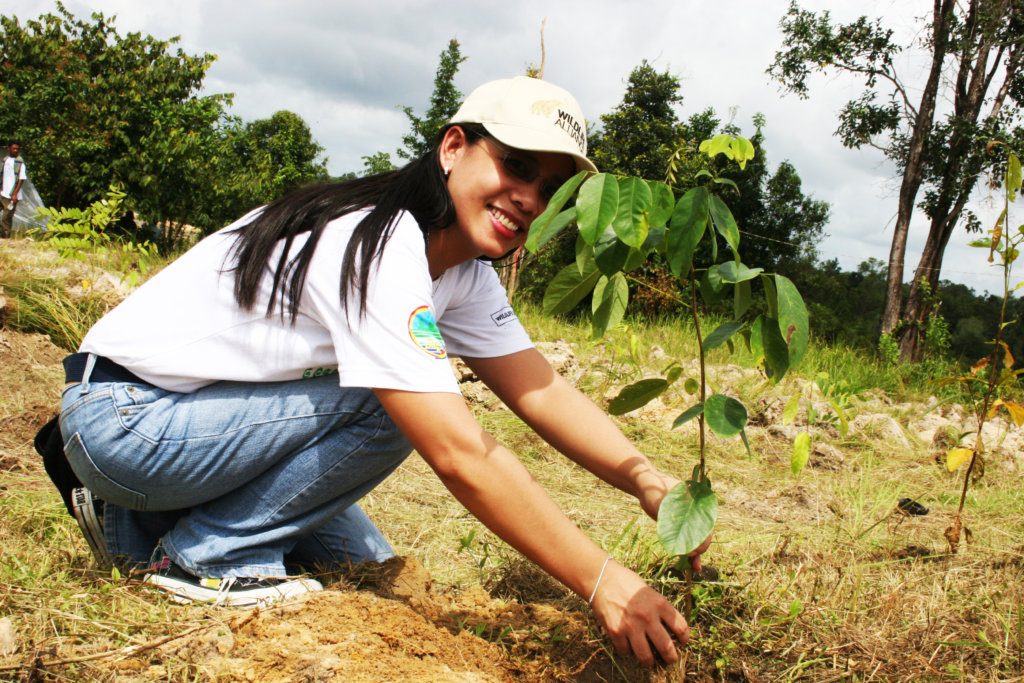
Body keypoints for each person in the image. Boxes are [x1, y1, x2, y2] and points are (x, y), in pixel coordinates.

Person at [57, 76, 707, 667]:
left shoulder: (465, 274)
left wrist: (645, 479)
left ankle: (130, 525)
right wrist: (603, 579)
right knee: (398, 403)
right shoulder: (381, 241)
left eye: (548, 188)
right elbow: (457, 452)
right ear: (454, 147)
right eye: (515, 166)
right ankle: (207, 557)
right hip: (125, 416)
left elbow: (543, 390)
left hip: (185, 422)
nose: (530, 198)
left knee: (367, 567)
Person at [1, 141, 28, 238]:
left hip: (12, 195)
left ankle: (5, 239)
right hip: (2, 193)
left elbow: (21, 179)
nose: (16, 150)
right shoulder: (5, 160)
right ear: (9, 149)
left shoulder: (20, 163)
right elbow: (2, 175)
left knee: (6, 217)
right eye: (14, 148)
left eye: (17, 149)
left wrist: (15, 194)